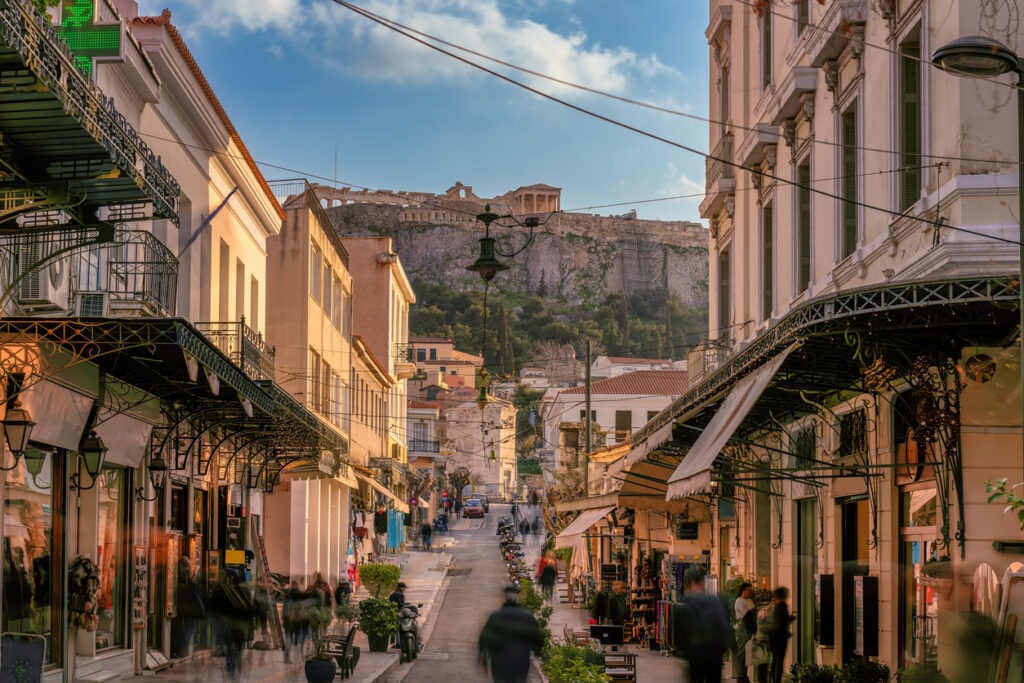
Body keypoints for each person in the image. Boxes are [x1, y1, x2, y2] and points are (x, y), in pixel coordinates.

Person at [478, 584, 544, 683]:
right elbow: (537, 637)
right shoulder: (526, 616)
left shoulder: (495, 617)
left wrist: (484, 659)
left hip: (499, 663)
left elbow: (484, 638)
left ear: (504, 598)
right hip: (520, 662)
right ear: (517, 598)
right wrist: (537, 652)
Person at [680, 568, 732, 683]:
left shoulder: (687, 603)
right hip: (714, 654)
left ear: (691, 584)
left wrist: (684, 653)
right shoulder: (717, 601)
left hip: (695, 654)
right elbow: (725, 626)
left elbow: (682, 632)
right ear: (703, 583)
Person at [209, 574, 256, 680]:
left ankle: (231, 670)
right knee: (239, 649)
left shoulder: (226, 591)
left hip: (230, 625)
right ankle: (237, 671)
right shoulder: (245, 592)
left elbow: (216, 606)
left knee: (231, 649)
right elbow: (251, 610)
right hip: (242, 627)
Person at [766, 587, 794, 683]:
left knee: (775, 659)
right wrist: (792, 618)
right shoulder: (782, 605)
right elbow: (782, 622)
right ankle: (777, 680)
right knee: (779, 660)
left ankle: (774, 679)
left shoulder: (775, 606)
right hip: (780, 636)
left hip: (772, 636)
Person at [733, 583, 755, 683]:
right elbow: (747, 614)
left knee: (747, 652)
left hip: (749, 627)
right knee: (741, 652)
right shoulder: (739, 601)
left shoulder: (750, 601)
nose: (750, 593)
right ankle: (740, 675)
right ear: (744, 590)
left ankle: (745, 674)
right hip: (743, 626)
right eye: (749, 590)